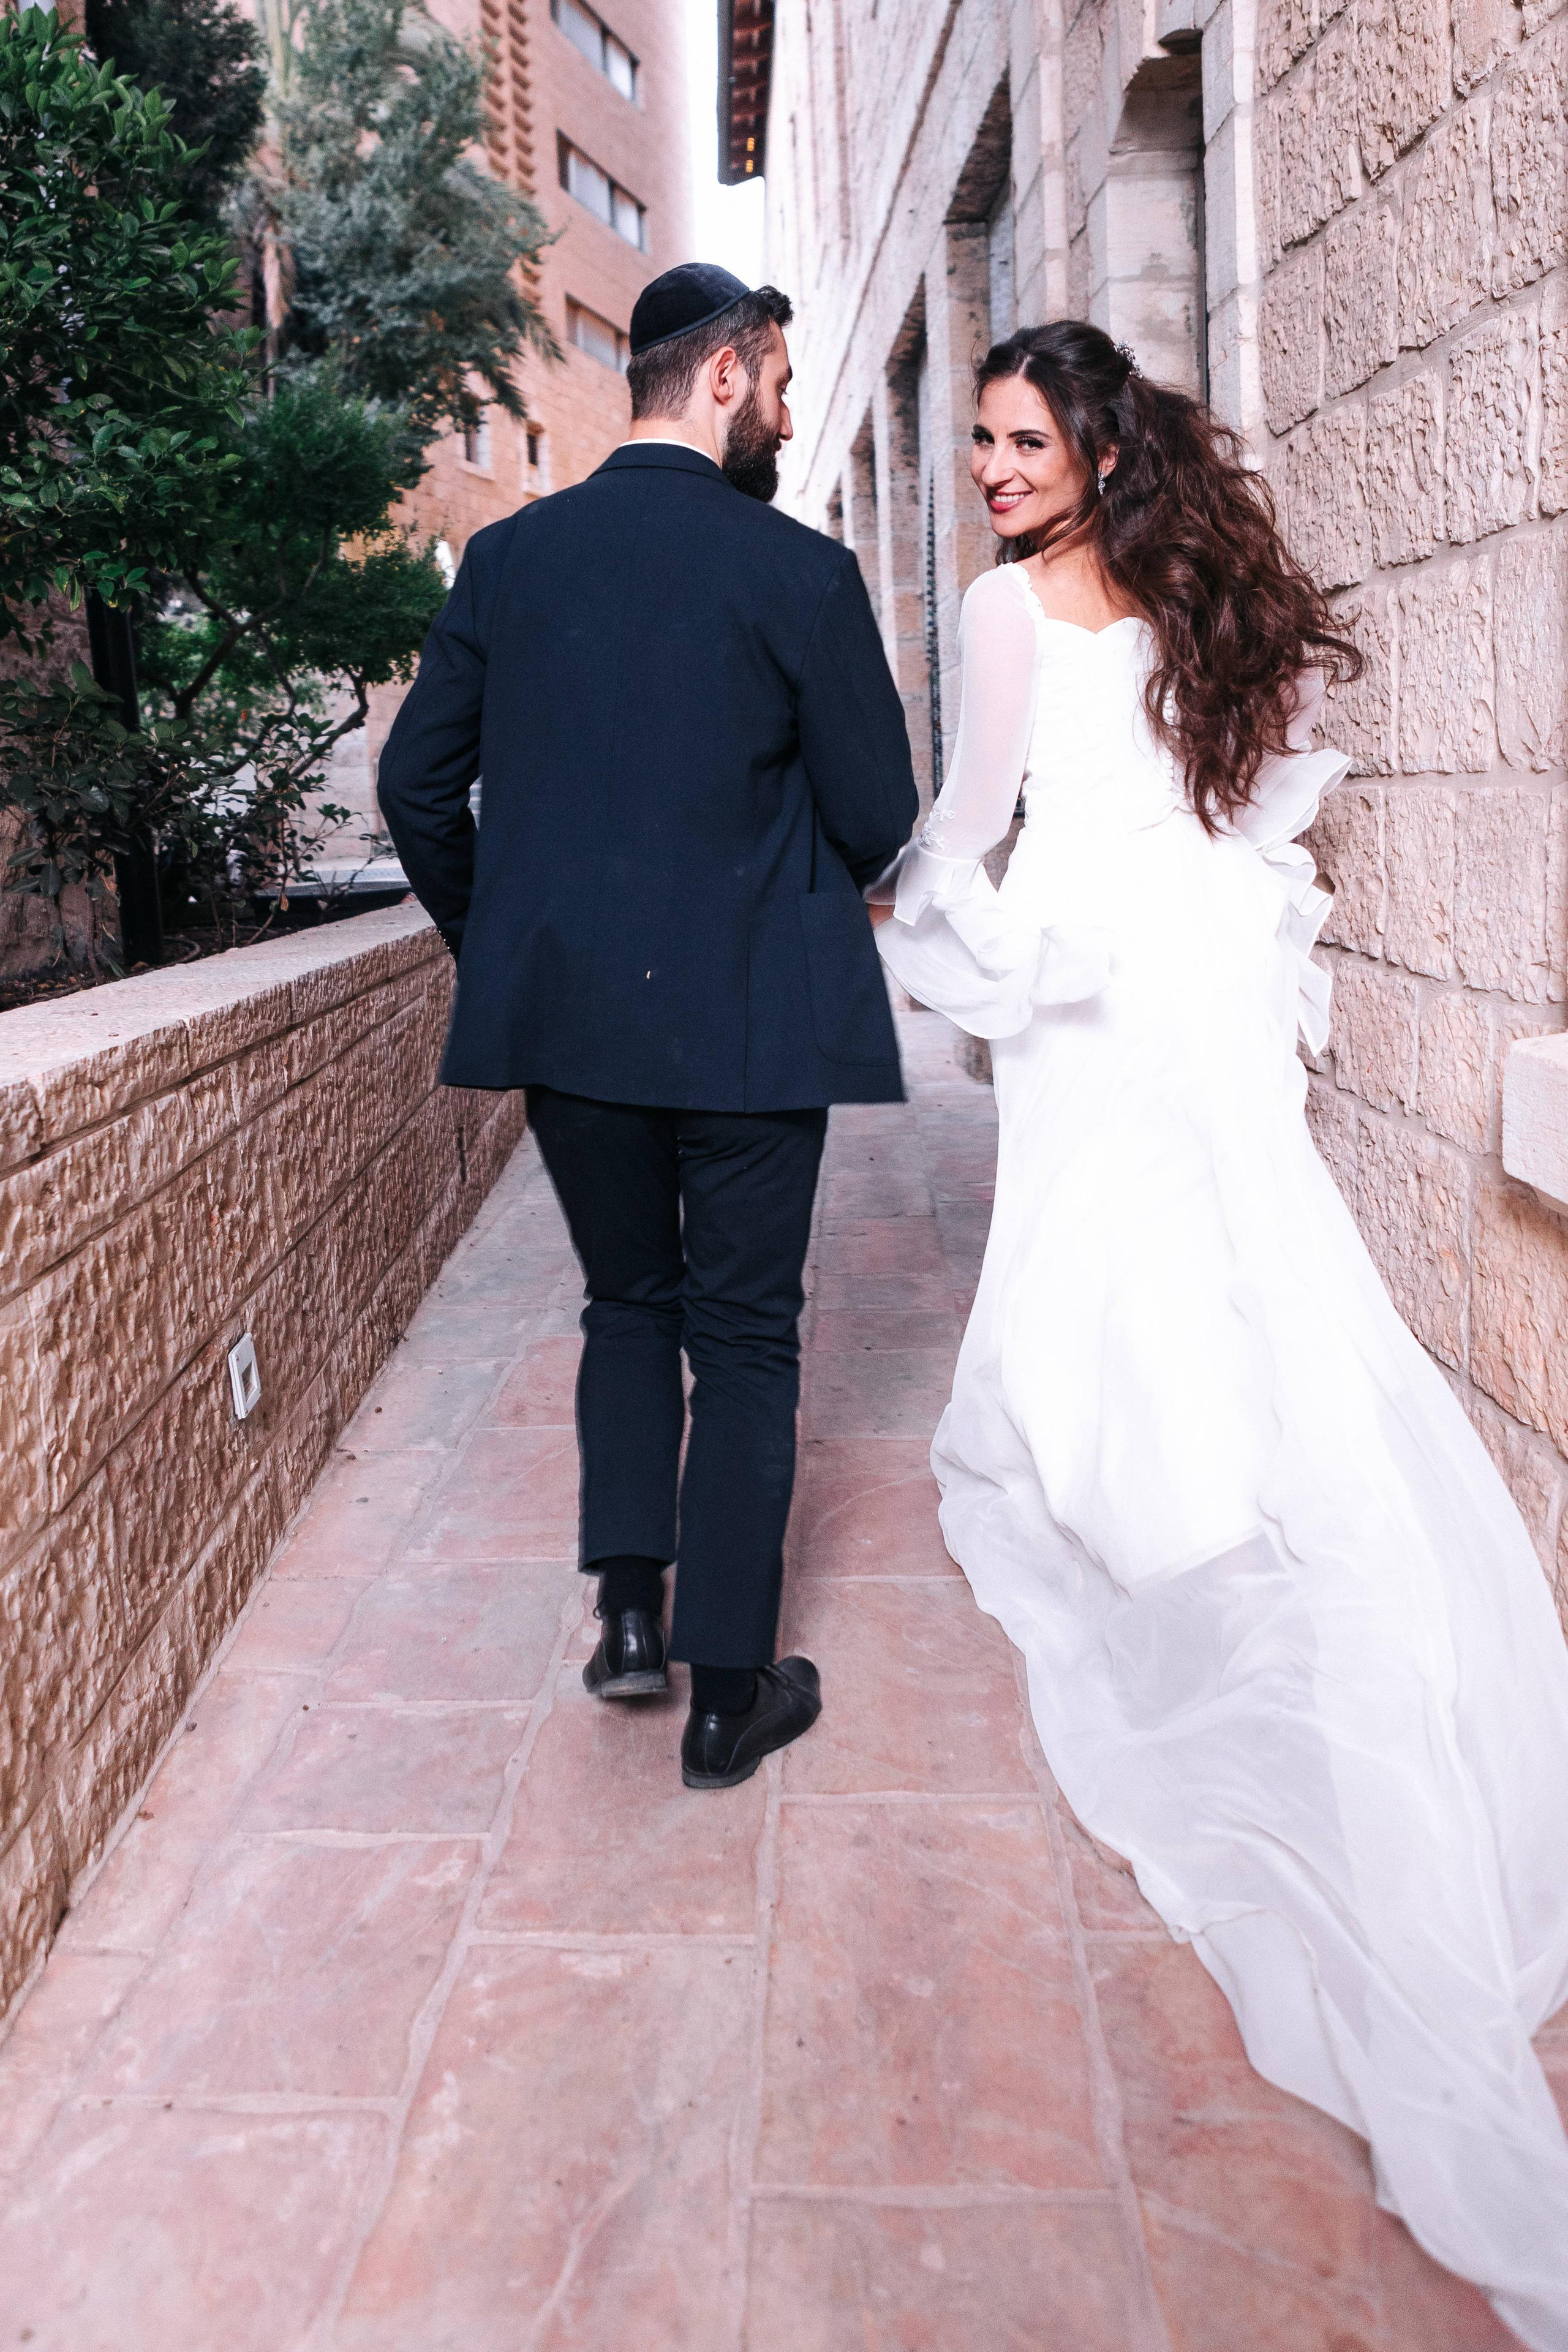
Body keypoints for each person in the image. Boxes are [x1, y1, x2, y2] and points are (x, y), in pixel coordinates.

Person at [872, 319, 1568, 2348]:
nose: (994, 467)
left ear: (1095, 450)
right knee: (1246, 1269)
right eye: (980, 440)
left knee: (1110, 1261)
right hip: (1195, 979)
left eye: (1021, 438)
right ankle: (1235, 1505)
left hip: (1105, 989)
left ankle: (1168, 1525)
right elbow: (1236, 792)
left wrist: (912, 908)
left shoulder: (1013, 618)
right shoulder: (1186, 591)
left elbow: (976, 813)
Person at [379, 264, 918, 1790]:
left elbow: (419, 786)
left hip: (568, 1024)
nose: (791, 415)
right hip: (751, 1014)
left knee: (631, 1305)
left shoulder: (506, 560)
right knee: (745, 1334)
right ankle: (727, 1695)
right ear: (730, 374)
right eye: (784, 383)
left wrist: (505, 948)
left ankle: (628, 1616)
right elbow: (876, 817)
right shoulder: (798, 575)